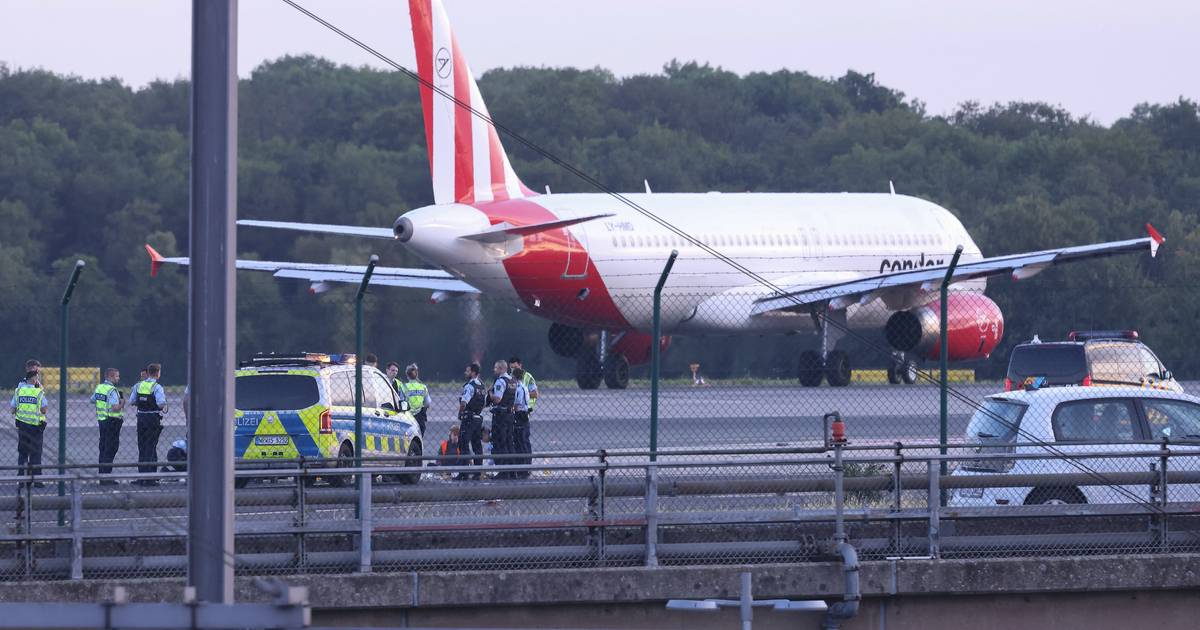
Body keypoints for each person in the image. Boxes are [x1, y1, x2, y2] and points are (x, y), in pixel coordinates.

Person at [11, 362, 48, 486]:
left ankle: (22, 479)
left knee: (23, 452)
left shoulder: (19, 389)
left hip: (22, 425)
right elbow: (44, 408)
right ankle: (36, 480)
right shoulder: (36, 390)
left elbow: (13, 408)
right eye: (36, 372)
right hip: (36, 425)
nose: (38, 374)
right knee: (35, 453)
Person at [133, 363, 168, 486]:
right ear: (158, 373)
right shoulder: (157, 387)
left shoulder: (138, 385)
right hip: (152, 418)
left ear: (148, 372)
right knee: (151, 447)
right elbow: (161, 403)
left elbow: (132, 401)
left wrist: (142, 403)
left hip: (141, 418)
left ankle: (141, 476)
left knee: (142, 447)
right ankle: (150, 477)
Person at [92, 368, 125, 484]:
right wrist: (122, 403)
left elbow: (92, 400)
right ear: (110, 377)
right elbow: (115, 408)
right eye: (117, 376)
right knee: (111, 448)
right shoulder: (112, 390)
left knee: (103, 447)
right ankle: (106, 476)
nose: (118, 378)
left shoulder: (99, 387)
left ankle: (102, 474)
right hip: (112, 421)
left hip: (101, 420)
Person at [457, 363, 487, 479]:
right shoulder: (482, 387)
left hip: (468, 418)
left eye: (468, 371)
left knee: (463, 444)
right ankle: (478, 472)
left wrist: (460, 413)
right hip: (478, 418)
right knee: (477, 445)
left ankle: (464, 473)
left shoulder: (469, 386)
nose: (466, 373)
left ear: (473, 372)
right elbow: (484, 403)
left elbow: (464, 403)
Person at [489, 360, 516, 478]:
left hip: (501, 416)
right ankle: (512, 471)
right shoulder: (513, 381)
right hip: (510, 415)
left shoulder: (500, 381)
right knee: (509, 442)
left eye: (496, 368)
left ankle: (503, 471)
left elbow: (497, 399)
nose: (494, 370)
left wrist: (490, 393)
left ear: (501, 369)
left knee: (500, 442)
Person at [511, 367, 532, 479]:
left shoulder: (518, 388)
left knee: (519, 442)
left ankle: (522, 468)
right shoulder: (524, 386)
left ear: (514, 376)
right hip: (525, 414)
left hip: (519, 415)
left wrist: (510, 409)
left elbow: (517, 403)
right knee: (524, 442)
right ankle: (526, 467)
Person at [403, 363, 429, 436]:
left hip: (407, 415)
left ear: (407, 375)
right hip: (420, 415)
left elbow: (401, 401)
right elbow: (427, 403)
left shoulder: (404, 387)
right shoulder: (423, 387)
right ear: (417, 374)